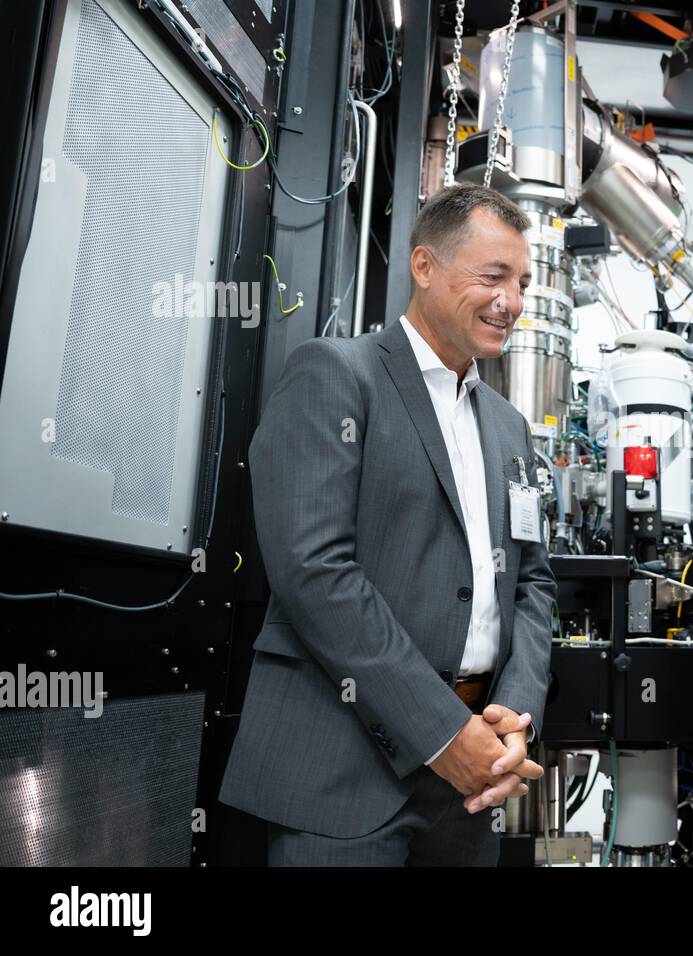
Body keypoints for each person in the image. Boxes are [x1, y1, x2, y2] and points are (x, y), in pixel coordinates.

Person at [219, 184, 556, 865]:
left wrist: (513, 720)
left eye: (522, 283)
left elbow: (533, 585)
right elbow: (315, 572)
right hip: (343, 773)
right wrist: (442, 733)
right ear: (424, 266)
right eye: (493, 277)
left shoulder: (509, 428)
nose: (512, 302)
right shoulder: (336, 376)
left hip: (472, 779)